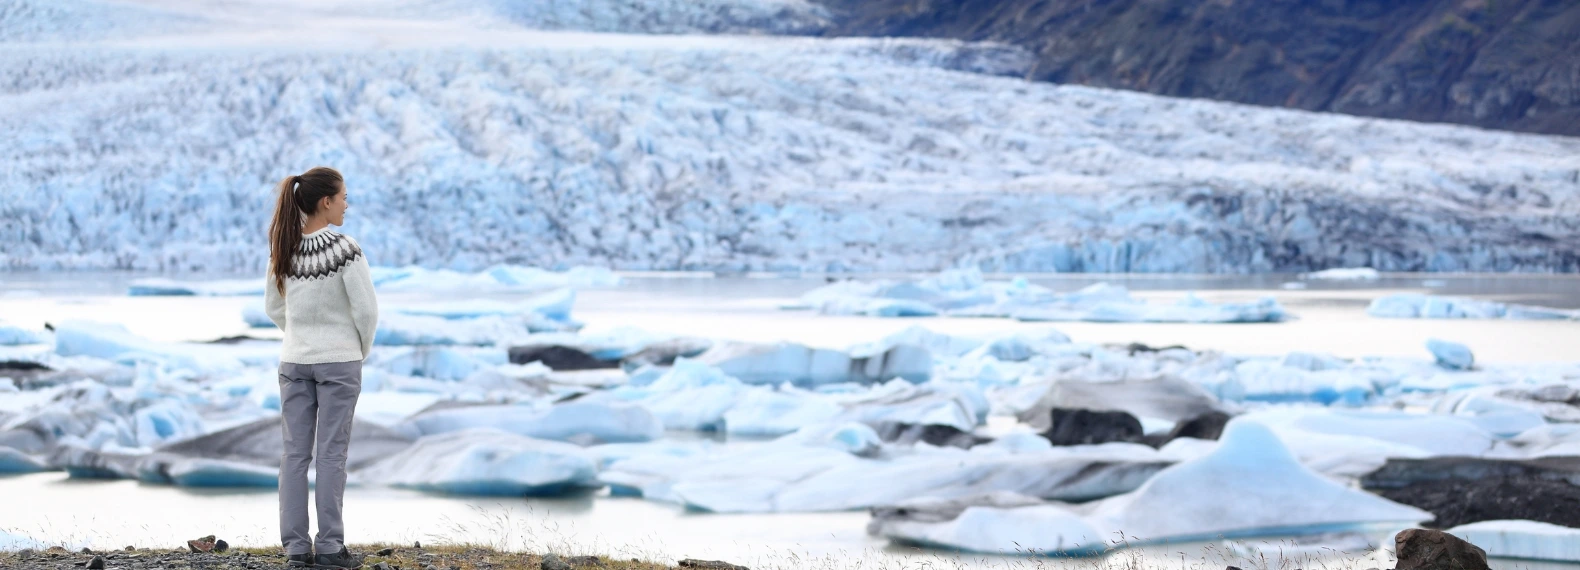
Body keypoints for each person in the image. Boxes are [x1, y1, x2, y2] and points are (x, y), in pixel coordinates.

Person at [264, 166, 377, 569]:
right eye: (344, 196)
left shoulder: (284, 246)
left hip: (294, 359)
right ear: (325, 201)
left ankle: (296, 550)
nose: (347, 203)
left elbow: (274, 308)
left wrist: (299, 337)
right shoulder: (345, 248)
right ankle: (329, 547)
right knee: (331, 455)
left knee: (294, 455)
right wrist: (356, 350)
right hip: (339, 361)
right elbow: (366, 311)